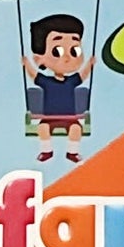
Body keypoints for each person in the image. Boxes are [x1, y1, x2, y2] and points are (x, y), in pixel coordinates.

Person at [23, 12, 94, 163]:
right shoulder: (46, 82)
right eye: (57, 51)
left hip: (70, 118)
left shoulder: (72, 81)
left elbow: (83, 75)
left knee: (76, 129)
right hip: (49, 118)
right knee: (42, 129)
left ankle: (72, 152)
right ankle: (46, 151)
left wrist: (89, 64)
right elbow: (33, 75)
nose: (67, 58)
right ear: (39, 59)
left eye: (75, 51)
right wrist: (27, 64)